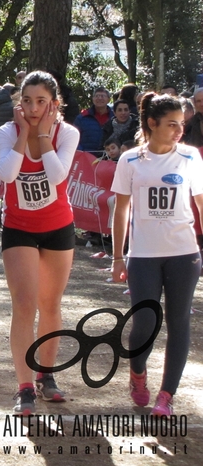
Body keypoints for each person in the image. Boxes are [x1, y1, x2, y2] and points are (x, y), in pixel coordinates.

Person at [110, 93, 203, 417]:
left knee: (179, 323)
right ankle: (138, 373)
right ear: (152, 123)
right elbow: (121, 211)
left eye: (182, 124)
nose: (180, 130)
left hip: (184, 253)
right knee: (144, 325)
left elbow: (202, 204)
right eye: (172, 124)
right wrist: (117, 257)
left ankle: (167, 395)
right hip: (144, 256)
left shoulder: (191, 157)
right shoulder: (131, 160)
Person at [0, 71, 80, 415]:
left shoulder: (68, 133)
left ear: (54, 104)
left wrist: (43, 137)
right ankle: (25, 386)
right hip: (19, 227)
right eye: (26, 100)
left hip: (57, 226)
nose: (32, 108)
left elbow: (58, 175)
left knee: (50, 303)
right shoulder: (7, 131)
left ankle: (47, 375)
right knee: (25, 304)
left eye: (41, 101)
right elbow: (7, 174)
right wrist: (25, 135)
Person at [74, 87, 113, 155]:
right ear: (93, 99)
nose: (99, 98)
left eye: (102, 96)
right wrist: (81, 153)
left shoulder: (114, 117)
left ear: (108, 99)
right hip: (86, 158)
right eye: (97, 96)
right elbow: (74, 138)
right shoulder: (82, 118)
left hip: (110, 158)